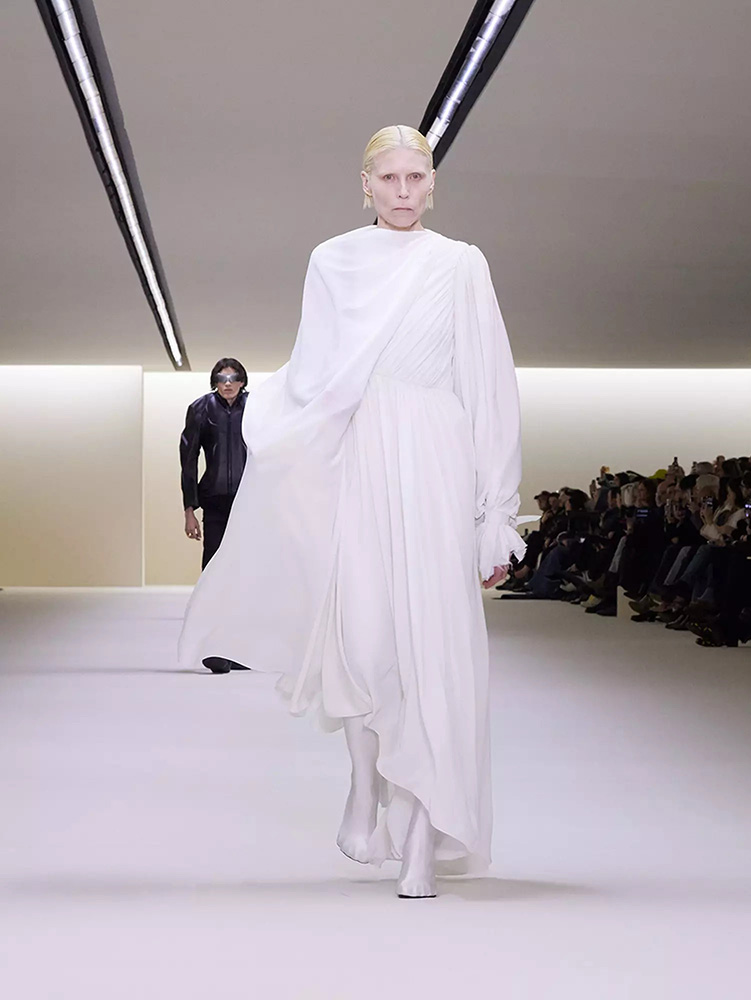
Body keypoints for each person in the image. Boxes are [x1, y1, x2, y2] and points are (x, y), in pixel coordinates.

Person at [178, 125, 526, 899]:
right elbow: (314, 372)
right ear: (364, 184)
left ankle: (422, 840)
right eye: (389, 178)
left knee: (431, 645)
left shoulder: (460, 264)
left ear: (433, 183)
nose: (404, 191)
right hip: (358, 455)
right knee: (363, 637)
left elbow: (490, 385)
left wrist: (495, 509)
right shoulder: (332, 260)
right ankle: (367, 784)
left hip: (436, 456)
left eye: (416, 177)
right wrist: (291, 458)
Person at [180, 358, 249, 571]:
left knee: (248, 559)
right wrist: (189, 510)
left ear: (241, 381)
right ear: (215, 382)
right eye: (222, 378)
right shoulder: (200, 409)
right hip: (214, 499)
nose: (227, 383)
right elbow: (188, 459)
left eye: (233, 378)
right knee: (213, 559)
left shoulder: (255, 408)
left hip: (248, 498)